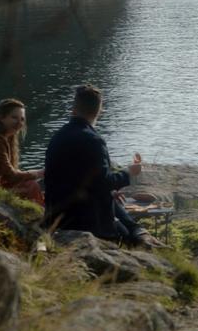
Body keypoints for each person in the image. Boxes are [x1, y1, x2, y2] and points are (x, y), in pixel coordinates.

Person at [43, 85, 160, 247]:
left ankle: (137, 231)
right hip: (84, 221)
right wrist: (129, 172)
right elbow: (103, 183)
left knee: (113, 200)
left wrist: (110, 188)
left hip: (55, 215)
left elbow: (78, 178)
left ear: (74, 108)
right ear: (99, 110)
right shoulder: (94, 140)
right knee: (126, 235)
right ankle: (138, 234)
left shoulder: (57, 136)